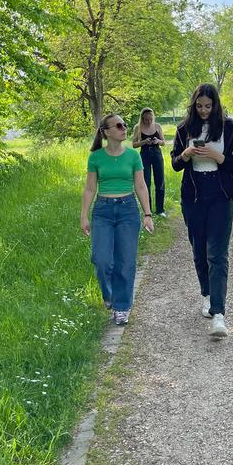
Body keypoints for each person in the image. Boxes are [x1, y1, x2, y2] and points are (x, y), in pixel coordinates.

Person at [171, 83, 233, 339]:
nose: (203, 110)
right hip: (193, 194)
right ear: (194, 105)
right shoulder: (182, 129)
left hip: (220, 195)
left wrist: (216, 155)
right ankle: (207, 294)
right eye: (199, 106)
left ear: (216, 106)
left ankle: (219, 313)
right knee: (199, 252)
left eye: (208, 106)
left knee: (218, 254)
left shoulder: (229, 127)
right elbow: (175, 164)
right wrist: (187, 154)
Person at [80, 113, 154, 326]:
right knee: (101, 260)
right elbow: (90, 188)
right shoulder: (95, 157)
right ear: (106, 132)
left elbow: (140, 186)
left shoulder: (133, 156)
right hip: (102, 211)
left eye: (125, 125)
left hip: (127, 211)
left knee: (125, 262)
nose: (124, 128)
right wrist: (83, 216)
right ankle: (110, 295)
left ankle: (121, 307)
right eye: (119, 125)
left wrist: (147, 214)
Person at [132, 107, 166, 217]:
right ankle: (148, 210)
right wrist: (144, 142)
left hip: (157, 153)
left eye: (150, 119)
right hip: (144, 154)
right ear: (142, 118)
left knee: (160, 181)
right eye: (146, 120)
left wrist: (157, 141)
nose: (149, 122)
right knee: (146, 182)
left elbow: (164, 142)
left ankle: (160, 210)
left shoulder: (157, 126)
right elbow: (134, 144)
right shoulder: (138, 127)